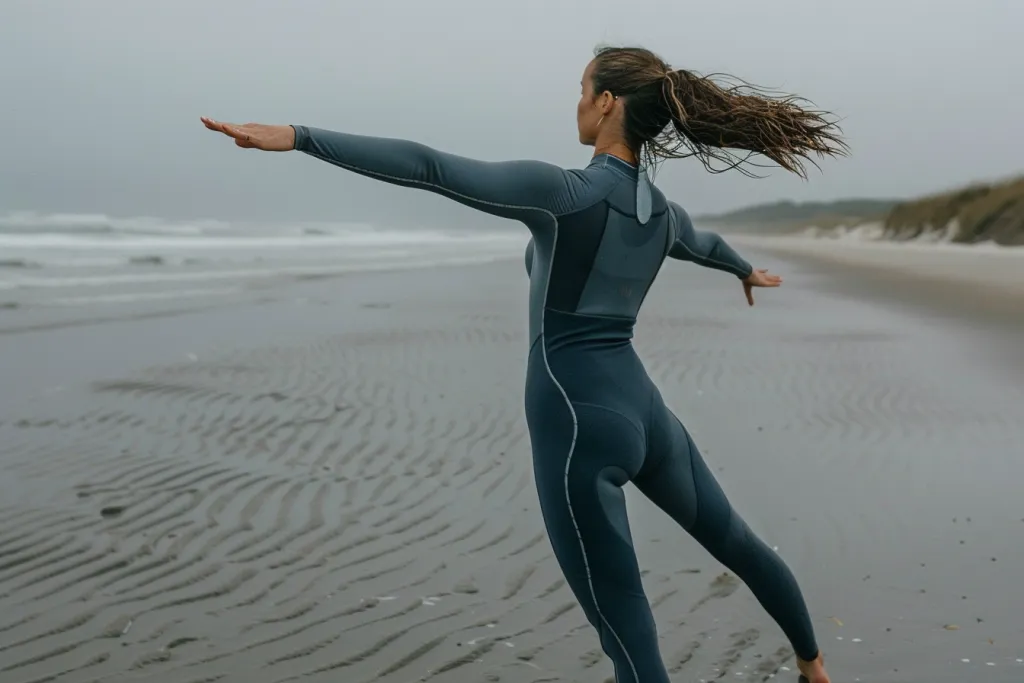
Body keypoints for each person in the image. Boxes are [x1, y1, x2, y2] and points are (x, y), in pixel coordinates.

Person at [201, 45, 846, 683]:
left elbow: (430, 167)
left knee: (626, 626)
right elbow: (702, 244)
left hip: (577, 425)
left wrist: (299, 136)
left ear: (607, 103)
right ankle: (813, 666)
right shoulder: (662, 216)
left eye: (583, 90)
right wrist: (744, 269)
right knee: (735, 540)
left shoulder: (563, 194)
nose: (577, 104)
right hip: (645, 414)